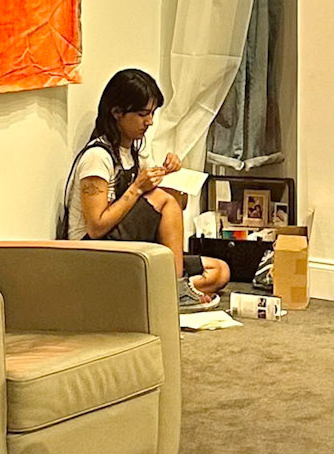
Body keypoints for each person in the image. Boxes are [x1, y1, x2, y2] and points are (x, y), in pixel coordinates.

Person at [62, 68, 230, 311]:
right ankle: (173, 291)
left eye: (152, 113)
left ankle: (159, 289)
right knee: (162, 199)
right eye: (142, 114)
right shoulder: (97, 157)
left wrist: (172, 174)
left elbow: (176, 205)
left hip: (124, 246)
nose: (149, 122)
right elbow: (95, 227)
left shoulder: (135, 152)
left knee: (219, 271)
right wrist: (137, 188)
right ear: (117, 112)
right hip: (92, 252)